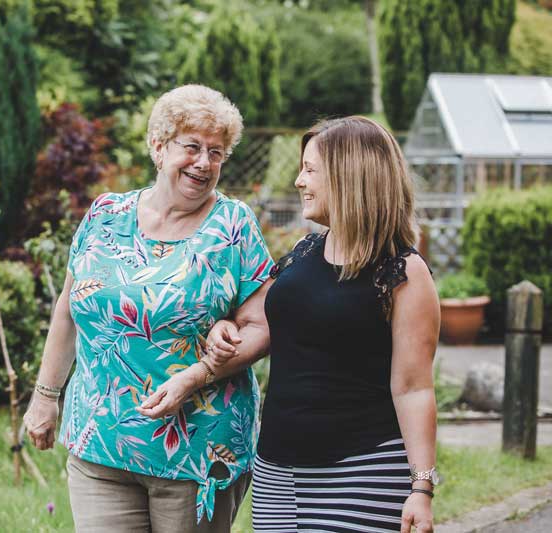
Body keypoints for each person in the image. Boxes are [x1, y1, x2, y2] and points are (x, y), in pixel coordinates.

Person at [22, 84, 274, 532]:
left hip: (196, 450)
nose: (204, 163)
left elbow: (263, 326)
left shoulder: (233, 226)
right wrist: (45, 397)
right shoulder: (104, 215)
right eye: (192, 147)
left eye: (217, 152)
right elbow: (69, 308)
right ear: (158, 147)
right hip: (100, 442)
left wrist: (197, 374)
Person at [202, 116, 440, 533]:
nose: (298, 181)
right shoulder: (303, 252)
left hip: (361, 473)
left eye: (310, 170)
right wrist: (225, 326)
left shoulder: (403, 272)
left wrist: (421, 488)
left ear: (350, 177)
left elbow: (414, 387)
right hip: (277, 472)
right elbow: (259, 321)